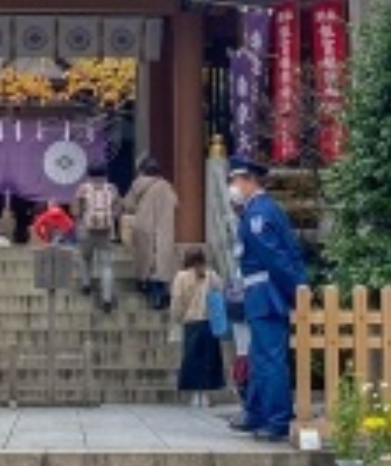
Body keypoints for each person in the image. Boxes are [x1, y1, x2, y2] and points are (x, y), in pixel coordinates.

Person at [225, 156, 303, 443]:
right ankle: (257, 411)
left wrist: (297, 290)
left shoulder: (259, 214)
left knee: (270, 359)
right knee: (260, 357)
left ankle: (277, 418)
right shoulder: (256, 211)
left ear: (248, 180)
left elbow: (276, 259)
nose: (232, 186)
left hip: (267, 294)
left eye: (235, 180)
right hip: (259, 293)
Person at [169, 248, 227, 408]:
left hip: (191, 322)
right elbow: (220, 292)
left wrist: (176, 318)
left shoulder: (181, 277)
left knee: (192, 359)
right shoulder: (211, 275)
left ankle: (195, 395)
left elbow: (177, 301)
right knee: (209, 359)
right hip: (209, 322)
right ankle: (207, 395)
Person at [123, 156, 179, 310]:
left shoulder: (137, 184)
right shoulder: (166, 185)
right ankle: (164, 293)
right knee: (161, 260)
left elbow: (128, 205)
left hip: (144, 226)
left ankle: (151, 292)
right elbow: (175, 203)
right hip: (164, 227)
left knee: (145, 258)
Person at [71, 162, 123, 311]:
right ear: (105, 174)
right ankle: (107, 299)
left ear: (89, 174)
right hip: (106, 231)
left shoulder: (82, 189)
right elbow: (118, 210)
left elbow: (75, 211)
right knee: (107, 265)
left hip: (86, 231)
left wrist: (82, 218)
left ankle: (86, 284)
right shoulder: (112, 189)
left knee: (84, 258)